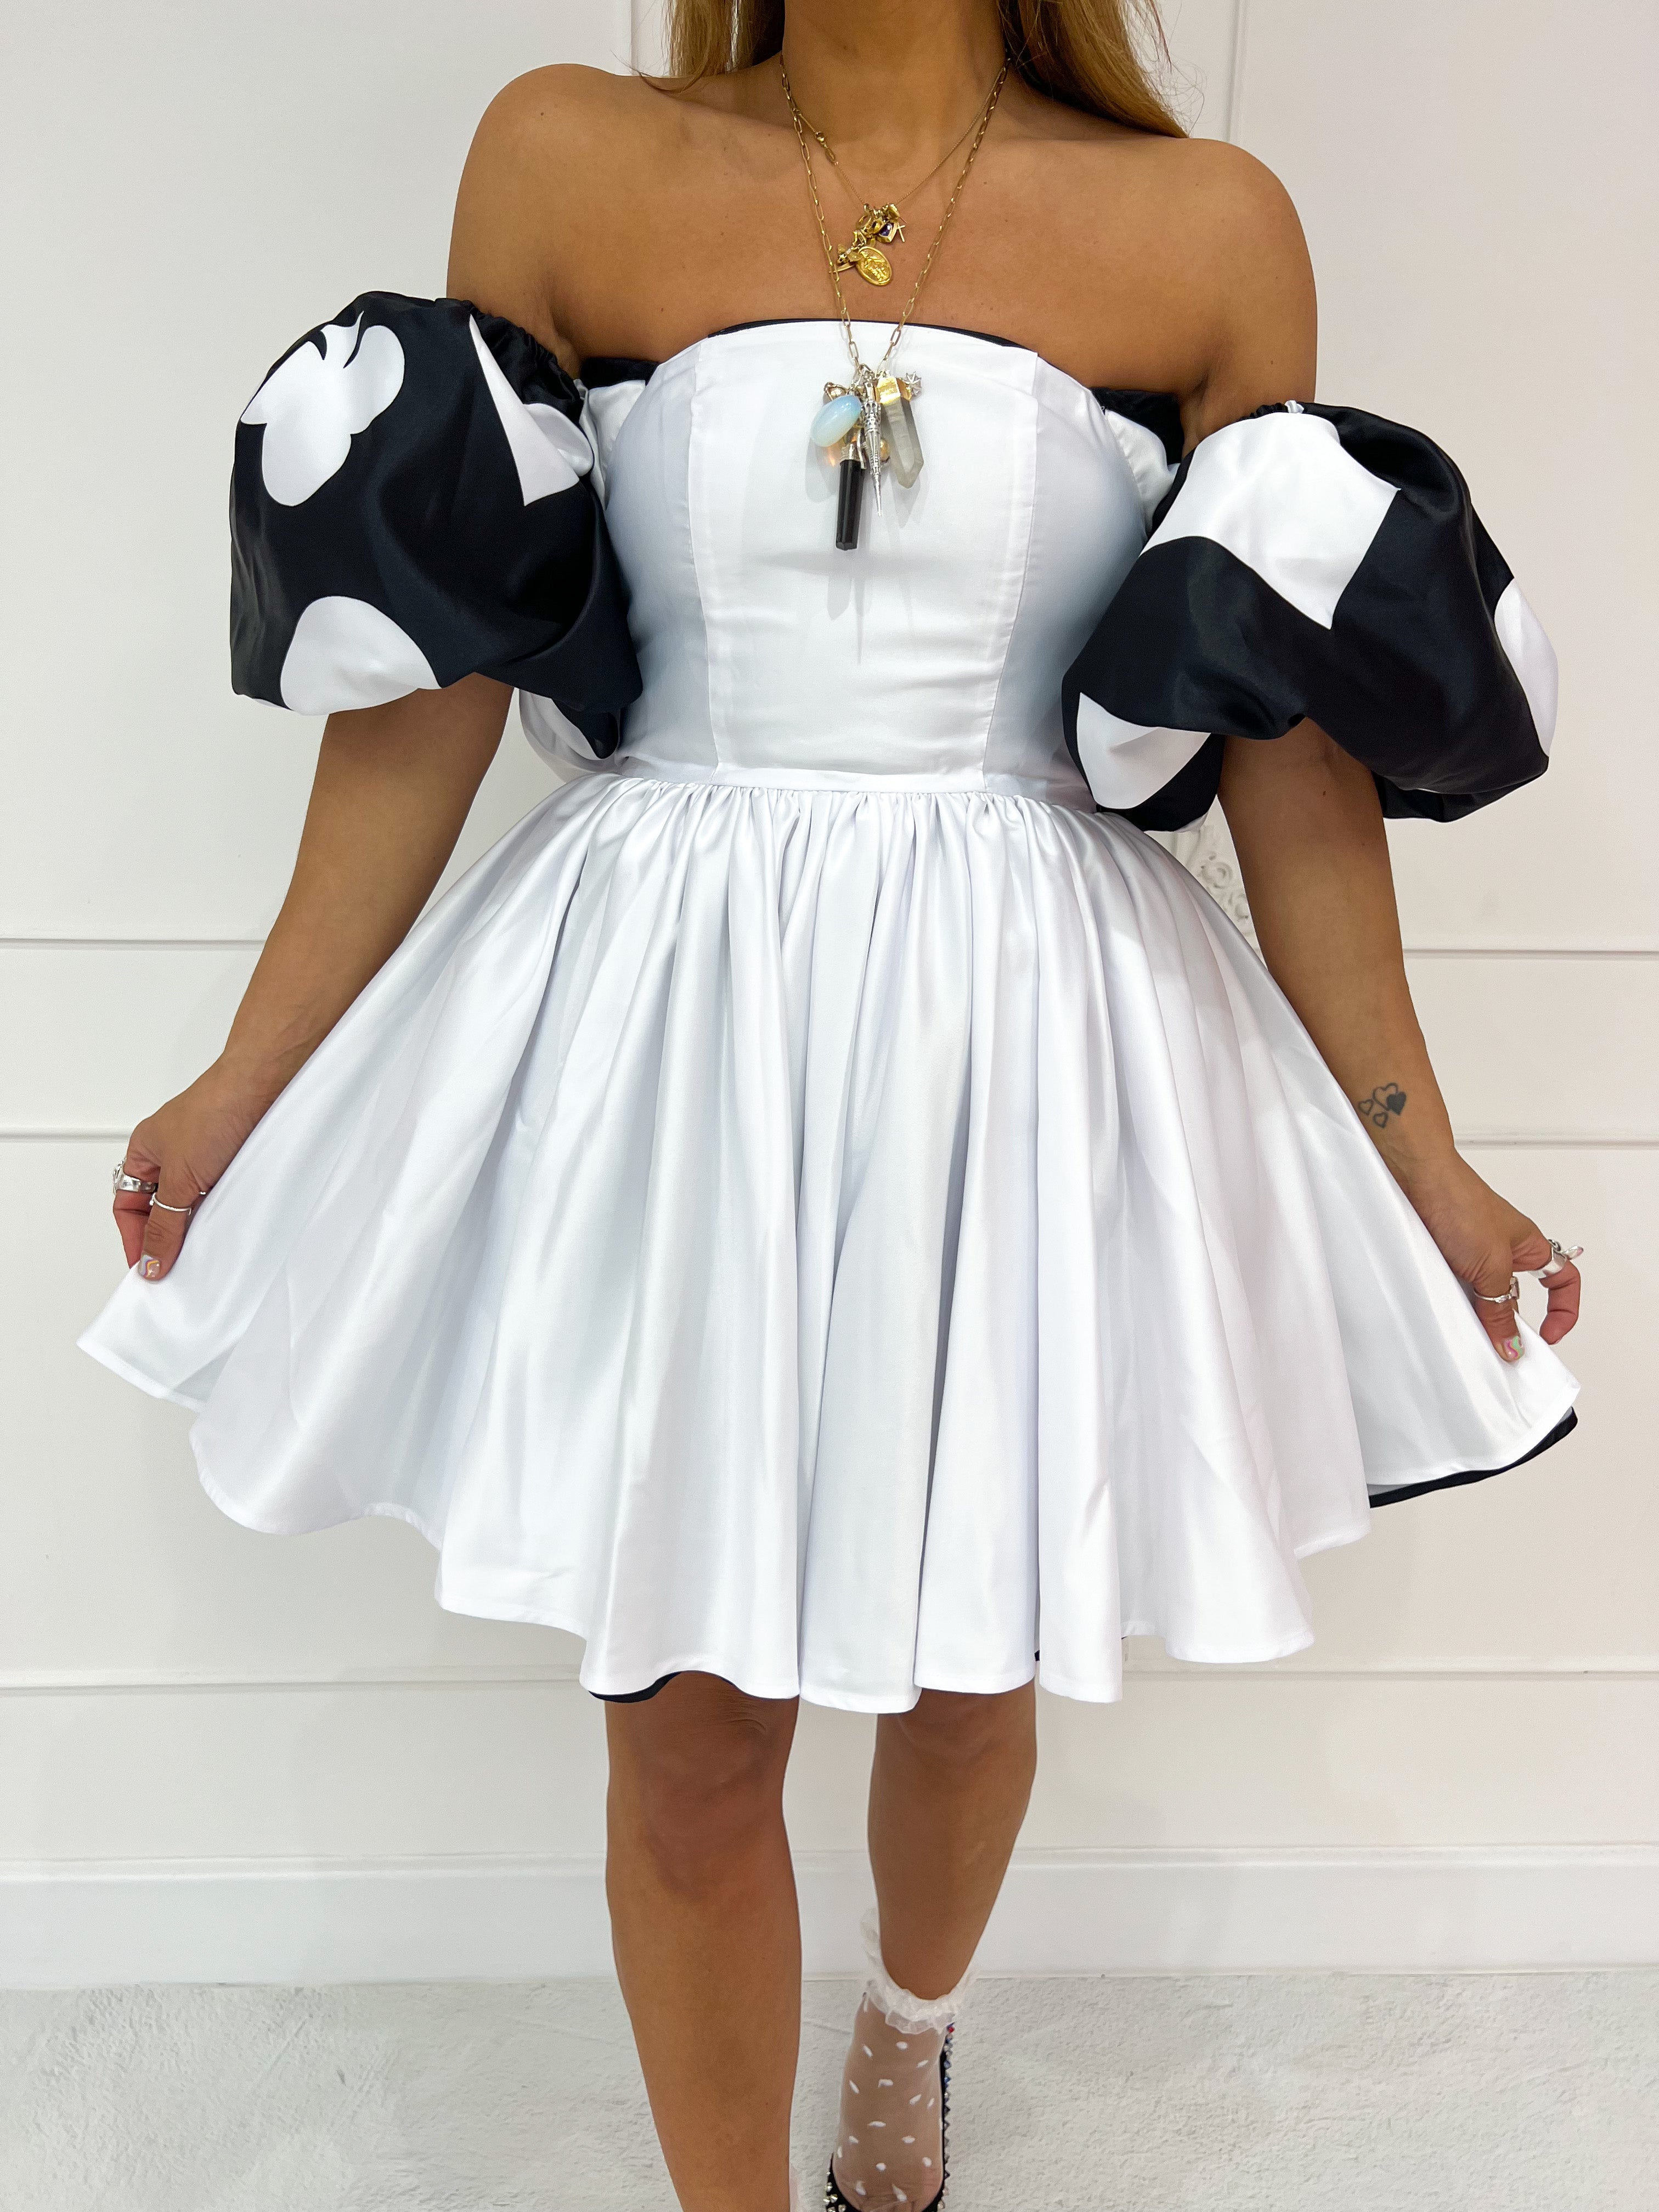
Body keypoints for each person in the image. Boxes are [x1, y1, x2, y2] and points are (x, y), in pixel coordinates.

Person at [82, 3, 1585, 2206]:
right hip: (674, 1026)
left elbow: (1292, 748)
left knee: (966, 1681)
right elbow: (433, 673)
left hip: (1024, 1035)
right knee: (693, 1734)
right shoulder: (563, 159)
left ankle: (914, 2020)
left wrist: (1422, 1164)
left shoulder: (1208, 230)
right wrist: (247, 1076)